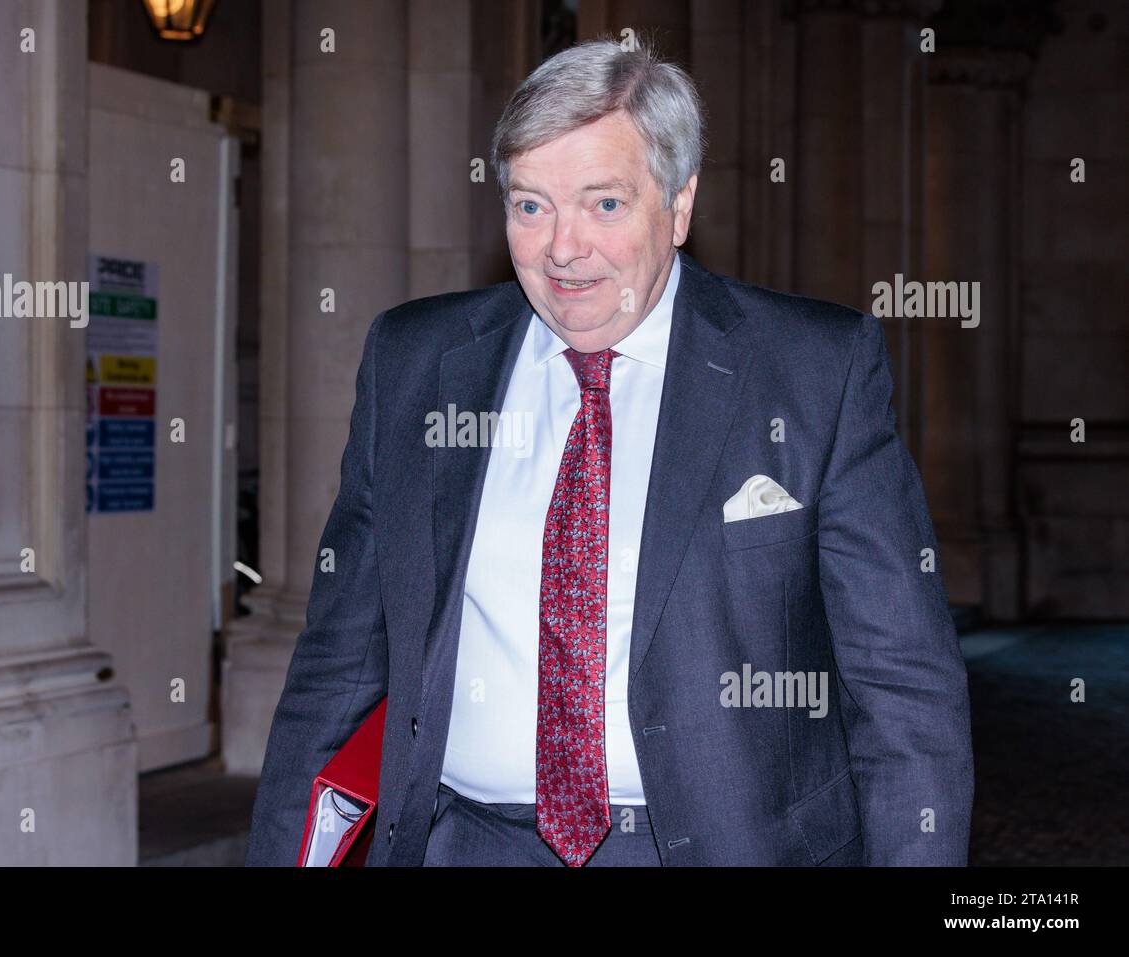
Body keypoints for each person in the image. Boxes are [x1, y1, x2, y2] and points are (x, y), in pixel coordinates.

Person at [246, 36, 973, 867]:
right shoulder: (414, 364)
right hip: (463, 843)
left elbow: (904, 687)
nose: (562, 248)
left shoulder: (811, 370)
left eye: (604, 204)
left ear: (681, 203)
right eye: (531, 206)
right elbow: (336, 669)